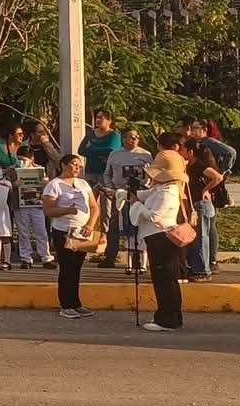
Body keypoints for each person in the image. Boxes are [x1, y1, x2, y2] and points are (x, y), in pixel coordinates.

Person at [130, 136, 191, 331]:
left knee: (165, 280)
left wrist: (137, 206)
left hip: (162, 238)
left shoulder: (168, 191)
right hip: (156, 238)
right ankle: (169, 316)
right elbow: (143, 195)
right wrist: (126, 195)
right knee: (162, 278)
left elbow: (155, 216)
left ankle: (168, 319)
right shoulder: (162, 188)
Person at [43, 153, 97, 318]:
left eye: (79, 166)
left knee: (77, 268)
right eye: (74, 164)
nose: (77, 168)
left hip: (82, 231)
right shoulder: (54, 185)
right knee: (66, 268)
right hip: (64, 230)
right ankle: (66, 304)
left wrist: (90, 225)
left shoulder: (82, 183)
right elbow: (48, 210)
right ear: (64, 165)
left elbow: (94, 207)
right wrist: (67, 210)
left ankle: (76, 302)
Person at [102, 127, 151, 272]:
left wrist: (146, 184)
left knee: (139, 225)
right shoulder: (114, 154)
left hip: (140, 194)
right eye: (131, 137)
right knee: (116, 225)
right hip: (120, 193)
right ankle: (110, 256)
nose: (134, 139)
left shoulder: (146, 154)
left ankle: (142, 260)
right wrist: (111, 189)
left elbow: (153, 174)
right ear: (123, 139)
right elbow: (107, 173)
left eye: (136, 136)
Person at [77, 112, 121, 261]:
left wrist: (93, 148)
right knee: (88, 203)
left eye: (101, 117)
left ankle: (104, 234)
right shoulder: (91, 133)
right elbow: (81, 149)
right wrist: (95, 150)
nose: (98, 119)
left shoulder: (114, 135)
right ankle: (85, 233)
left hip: (105, 173)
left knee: (105, 204)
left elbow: (111, 150)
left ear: (109, 120)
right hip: (90, 172)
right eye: (97, 117)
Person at [185, 140, 227, 282]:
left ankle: (203, 270)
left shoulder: (198, 165)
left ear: (190, 152)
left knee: (201, 237)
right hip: (198, 204)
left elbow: (217, 177)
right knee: (197, 237)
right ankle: (195, 266)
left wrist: (205, 190)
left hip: (202, 204)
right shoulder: (189, 165)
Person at [12, 146, 50, 269]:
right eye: (19, 159)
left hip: (36, 204)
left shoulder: (40, 170)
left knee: (41, 231)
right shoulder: (12, 170)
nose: (21, 162)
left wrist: (45, 183)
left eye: (23, 159)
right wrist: (14, 185)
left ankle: (45, 257)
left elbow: (46, 188)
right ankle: (26, 258)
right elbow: (6, 186)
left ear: (31, 158)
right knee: (23, 232)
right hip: (20, 205)